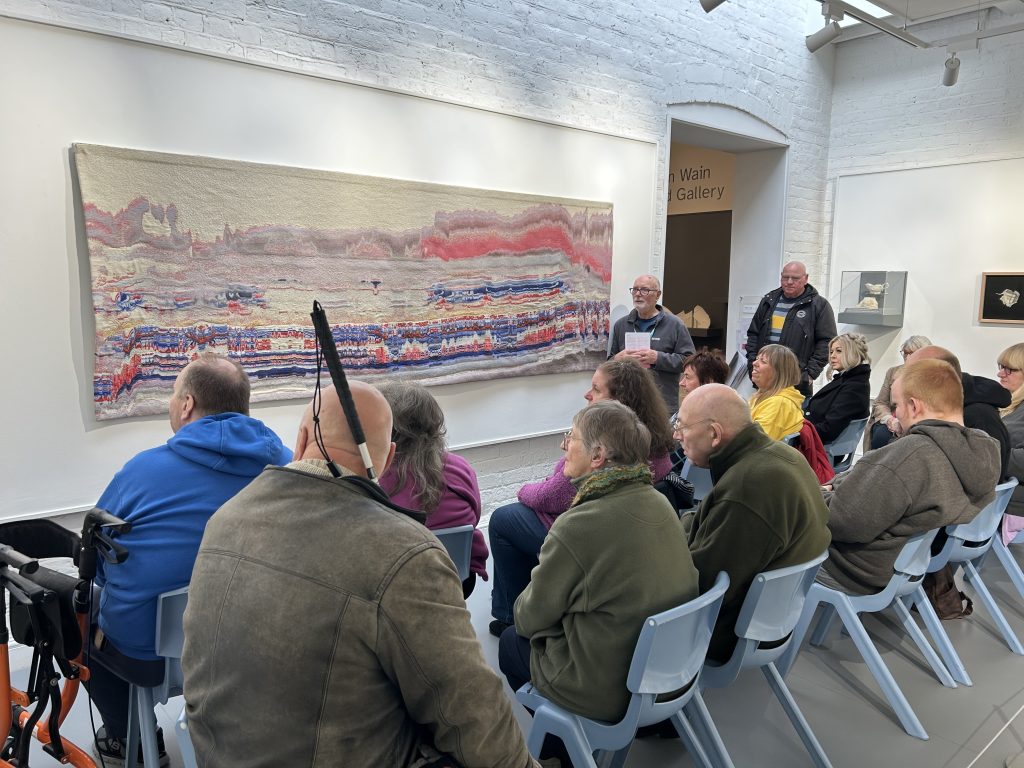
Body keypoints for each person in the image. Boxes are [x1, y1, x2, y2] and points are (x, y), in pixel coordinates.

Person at [182, 381, 536, 768]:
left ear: (299, 441)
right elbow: (473, 712)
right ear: (385, 459)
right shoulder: (404, 550)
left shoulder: (225, 518)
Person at [89, 353, 292, 767]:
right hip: (260, 639)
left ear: (186, 404)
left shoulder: (142, 472)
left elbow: (94, 562)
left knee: (75, 611)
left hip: (154, 655)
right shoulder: (288, 466)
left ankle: (132, 742)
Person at [498, 400, 698, 752]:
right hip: (671, 671)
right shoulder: (659, 501)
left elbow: (528, 620)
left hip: (610, 690)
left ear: (598, 456)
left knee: (511, 642)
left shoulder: (577, 524)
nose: (564, 446)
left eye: (570, 437)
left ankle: (563, 752)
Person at [488, 359, 676, 636]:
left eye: (596, 389)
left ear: (618, 400)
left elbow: (552, 497)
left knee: (503, 519)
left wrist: (521, 489)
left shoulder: (601, 451)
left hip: (593, 538)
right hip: (624, 533)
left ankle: (510, 617)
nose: (587, 395)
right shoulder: (652, 441)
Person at [817, 359, 1000, 595]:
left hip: (850, 568)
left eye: (897, 406)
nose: (896, 414)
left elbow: (841, 523)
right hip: (905, 567)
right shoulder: (981, 450)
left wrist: (821, 493)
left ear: (914, 406)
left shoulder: (911, 455)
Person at [675, 384, 830, 661]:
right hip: (772, 617)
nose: (677, 436)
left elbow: (701, 586)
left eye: (682, 427)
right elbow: (706, 523)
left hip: (725, 633)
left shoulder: (749, 487)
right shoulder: (783, 457)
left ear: (714, 434)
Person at [376, 381, 487, 598]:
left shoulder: (378, 480)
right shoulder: (461, 467)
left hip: (403, 585)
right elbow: (474, 516)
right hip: (459, 578)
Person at [906, 345, 1010, 479]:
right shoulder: (953, 409)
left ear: (932, 378)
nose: (903, 381)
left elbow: (983, 480)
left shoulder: (979, 417)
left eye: (909, 374)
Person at [745, 261, 837, 397]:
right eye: (785, 277)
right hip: (765, 378)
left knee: (790, 416)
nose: (789, 282)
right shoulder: (769, 300)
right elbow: (753, 334)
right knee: (763, 415)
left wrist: (810, 373)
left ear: (806, 279)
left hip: (796, 381)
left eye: (795, 278)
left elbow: (827, 342)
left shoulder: (818, 305)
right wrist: (753, 362)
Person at [608, 273, 695, 409]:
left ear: (658, 295)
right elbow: (608, 365)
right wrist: (617, 359)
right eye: (635, 289)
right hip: (626, 404)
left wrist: (657, 358)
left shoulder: (675, 325)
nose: (637, 294)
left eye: (644, 290)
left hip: (661, 405)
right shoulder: (621, 325)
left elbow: (689, 361)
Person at [864, 334, 931, 451]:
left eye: (912, 353)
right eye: (905, 353)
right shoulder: (893, 372)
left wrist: (905, 423)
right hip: (892, 421)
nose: (907, 357)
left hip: (918, 423)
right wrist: (890, 419)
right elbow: (880, 403)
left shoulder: (934, 376)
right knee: (880, 437)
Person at [804, 332, 871, 445]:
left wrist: (797, 430)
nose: (832, 356)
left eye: (838, 351)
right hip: (812, 439)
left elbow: (829, 429)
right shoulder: (849, 380)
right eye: (831, 352)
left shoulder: (854, 387)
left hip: (818, 447)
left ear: (853, 353)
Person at [748, 344, 805, 440]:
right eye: (757, 359)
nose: (754, 363)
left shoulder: (779, 403)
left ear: (778, 372)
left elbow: (755, 443)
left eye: (763, 361)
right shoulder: (761, 396)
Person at [998, 343, 1024, 540]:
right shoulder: (1010, 405)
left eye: (1010, 369)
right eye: (1001, 367)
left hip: (1011, 504)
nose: (1001, 374)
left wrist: (987, 451)